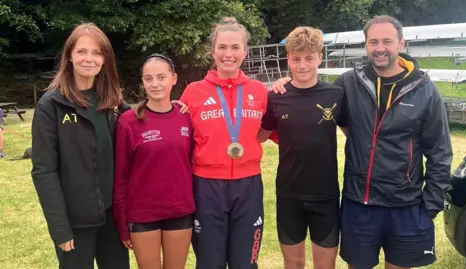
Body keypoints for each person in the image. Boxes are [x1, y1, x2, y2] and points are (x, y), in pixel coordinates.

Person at [272, 15, 453, 269]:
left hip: (406, 205)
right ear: (366, 45)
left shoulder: (424, 89)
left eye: (387, 41)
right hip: (360, 204)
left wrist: (430, 207)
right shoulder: (348, 83)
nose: (380, 48)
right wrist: (285, 85)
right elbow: (312, 95)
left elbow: (440, 153)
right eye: (373, 42)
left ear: (401, 44)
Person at [30, 23, 130, 269]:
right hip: (74, 222)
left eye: (97, 53)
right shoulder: (51, 105)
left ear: (105, 59)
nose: (89, 59)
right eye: (82, 52)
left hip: (112, 219)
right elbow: (44, 171)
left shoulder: (113, 101)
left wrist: (172, 110)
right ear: (70, 56)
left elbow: (143, 122)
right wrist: (60, 229)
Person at [179, 17, 268, 269]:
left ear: (245, 52)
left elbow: (274, 129)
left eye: (235, 47)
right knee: (209, 262)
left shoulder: (260, 91)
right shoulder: (193, 92)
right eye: (222, 47)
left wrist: (288, 88)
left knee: (245, 263)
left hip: (248, 186)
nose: (228, 54)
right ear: (212, 50)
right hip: (207, 188)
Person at [258, 26, 347, 269]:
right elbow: (258, 137)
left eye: (309, 58)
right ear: (288, 59)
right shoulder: (277, 96)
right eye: (296, 59)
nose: (303, 65)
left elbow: (354, 136)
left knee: (325, 264)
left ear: (320, 57)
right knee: (293, 264)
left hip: (325, 195)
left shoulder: (336, 95)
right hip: (289, 195)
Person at [113, 53, 194, 269]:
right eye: (148, 79)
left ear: (174, 78)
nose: (155, 84)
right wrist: (122, 225)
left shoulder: (186, 116)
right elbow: (120, 177)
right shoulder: (128, 121)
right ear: (142, 81)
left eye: (161, 77)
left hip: (180, 210)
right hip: (142, 214)